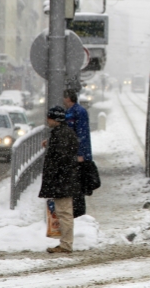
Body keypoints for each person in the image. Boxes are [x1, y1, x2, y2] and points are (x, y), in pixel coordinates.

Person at [39, 106, 80, 254]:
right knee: (64, 212)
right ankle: (65, 243)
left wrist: (54, 176)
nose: (47, 120)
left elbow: (60, 158)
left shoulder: (60, 135)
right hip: (65, 180)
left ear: (55, 119)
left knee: (64, 213)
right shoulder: (64, 133)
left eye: (49, 118)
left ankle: (66, 245)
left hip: (62, 181)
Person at [63, 89, 92, 218]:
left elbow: (81, 134)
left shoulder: (77, 112)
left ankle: (79, 213)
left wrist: (80, 154)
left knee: (77, 185)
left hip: (77, 156)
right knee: (74, 184)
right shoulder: (71, 112)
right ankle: (76, 211)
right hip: (72, 155)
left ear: (68, 98)